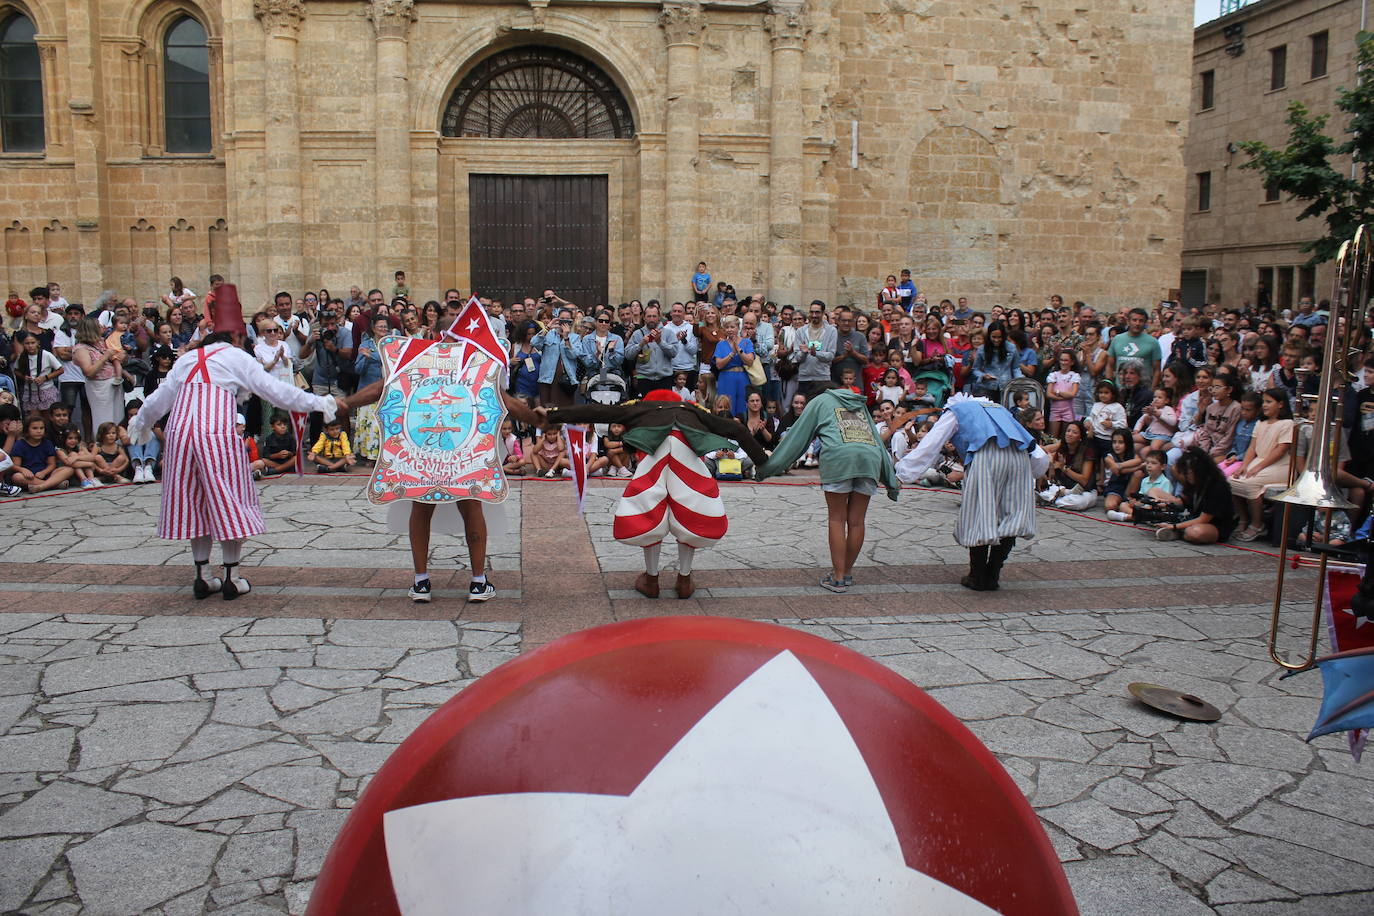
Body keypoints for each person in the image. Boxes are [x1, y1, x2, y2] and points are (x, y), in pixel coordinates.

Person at [127, 284, 342, 602]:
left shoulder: (188, 359)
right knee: (231, 502)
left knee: (194, 503)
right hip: (217, 435)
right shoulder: (236, 358)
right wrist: (317, 403)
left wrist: (139, 424)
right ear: (238, 337)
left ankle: (202, 575)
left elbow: (159, 399)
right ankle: (232, 576)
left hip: (179, 435)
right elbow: (274, 390)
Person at [541, 390, 769, 599]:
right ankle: (684, 579)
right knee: (689, 516)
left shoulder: (641, 407)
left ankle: (651, 580)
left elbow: (596, 411)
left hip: (654, 457)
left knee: (650, 514)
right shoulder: (692, 409)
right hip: (687, 459)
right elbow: (738, 430)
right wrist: (764, 464)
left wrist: (552, 414)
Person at [894, 393, 1049, 591]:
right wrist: (1034, 472)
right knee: (1012, 515)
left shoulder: (958, 410)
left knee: (980, 513)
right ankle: (993, 574)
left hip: (986, 457)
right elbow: (1034, 450)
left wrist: (903, 474)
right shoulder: (1001, 411)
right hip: (1019, 458)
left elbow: (931, 443)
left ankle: (977, 576)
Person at [755, 384, 900, 592]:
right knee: (857, 522)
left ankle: (837, 578)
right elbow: (877, 440)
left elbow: (797, 438)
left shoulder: (820, 402)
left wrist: (768, 467)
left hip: (839, 457)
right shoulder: (859, 404)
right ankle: (846, 573)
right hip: (870, 458)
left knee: (837, 519)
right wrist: (891, 481)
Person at [1229, 387, 1295, 541]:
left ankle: (1257, 524)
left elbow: (1280, 450)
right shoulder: (1261, 423)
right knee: (1232, 481)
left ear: (1280, 404)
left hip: (1280, 465)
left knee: (1250, 484)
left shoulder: (1287, 424)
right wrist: (1244, 465)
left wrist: (1258, 467)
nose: (1265, 405)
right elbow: (1252, 447)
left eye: (1269, 402)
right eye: (1264, 402)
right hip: (1259, 461)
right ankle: (1244, 519)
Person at [1154, 446, 1237, 544]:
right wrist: (1167, 504)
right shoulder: (1193, 483)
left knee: (1195, 533)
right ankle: (1180, 531)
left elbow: (1203, 519)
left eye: (1188, 473)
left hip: (1214, 525)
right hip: (1193, 518)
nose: (1186, 476)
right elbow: (1184, 500)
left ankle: (1178, 532)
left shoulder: (1217, 487)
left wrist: (1174, 526)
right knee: (1154, 491)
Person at [11, 415, 75, 492]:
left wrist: (43, 472)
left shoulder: (47, 443)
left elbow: (52, 464)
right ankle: (53, 485)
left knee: (69, 469)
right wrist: (23, 470)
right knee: (16, 477)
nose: (39, 431)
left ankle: (41, 487)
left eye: (42, 428)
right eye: (35, 428)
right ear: (27, 430)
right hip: (30, 477)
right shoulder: (20, 444)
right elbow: (15, 466)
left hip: (46, 474)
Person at [712, 315, 754, 415]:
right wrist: (732, 354)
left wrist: (739, 350)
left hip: (742, 377)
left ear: (738, 327)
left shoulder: (746, 342)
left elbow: (750, 361)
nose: (729, 330)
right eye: (727, 327)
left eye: (732, 327)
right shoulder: (721, 344)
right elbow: (718, 365)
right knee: (725, 405)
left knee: (742, 406)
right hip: (726, 377)